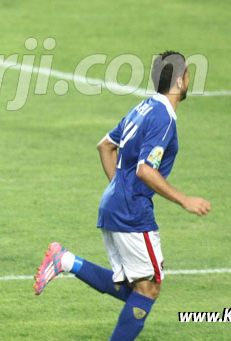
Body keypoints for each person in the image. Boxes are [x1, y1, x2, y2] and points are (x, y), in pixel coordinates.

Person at [33, 51, 211, 341]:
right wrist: (184, 200)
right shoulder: (164, 118)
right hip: (132, 212)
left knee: (135, 288)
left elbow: (105, 146)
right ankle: (65, 261)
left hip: (114, 205)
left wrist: (119, 190)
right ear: (181, 80)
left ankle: (65, 260)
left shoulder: (142, 108)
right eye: (189, 74)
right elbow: (144, 170)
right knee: (149, 289)